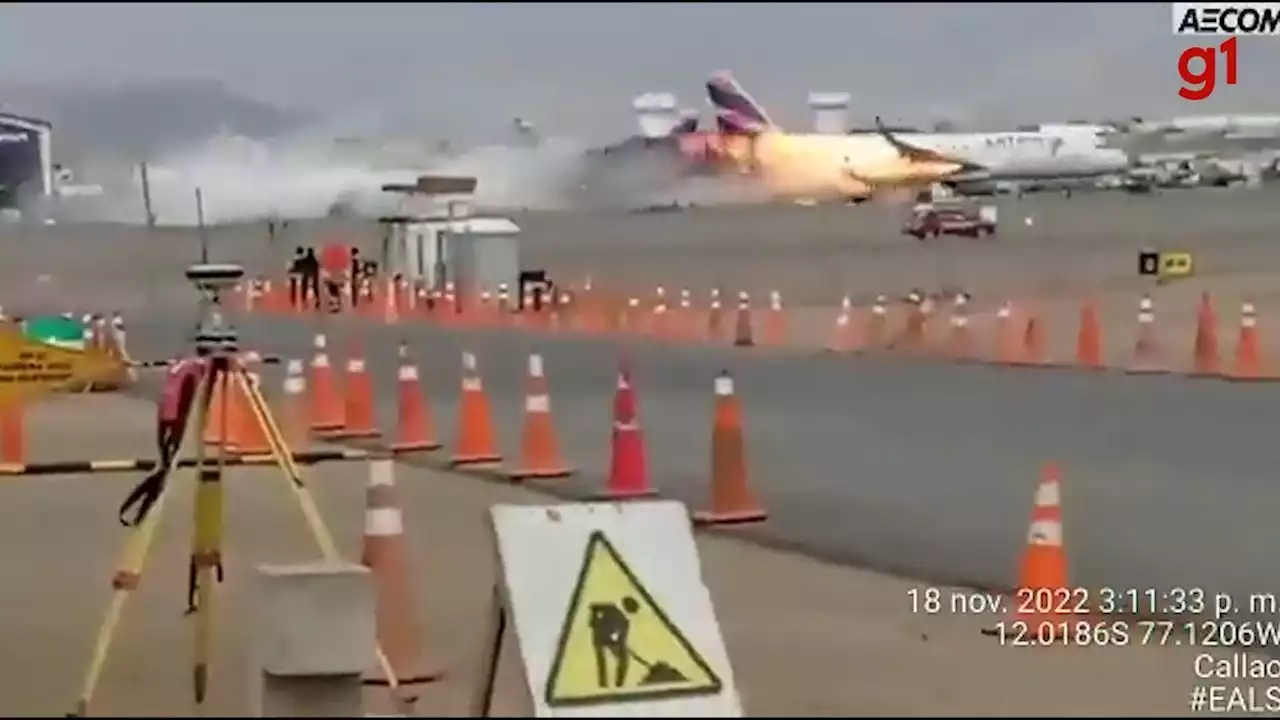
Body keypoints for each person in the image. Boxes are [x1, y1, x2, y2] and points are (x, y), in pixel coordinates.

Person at [117, 349, 210, 528]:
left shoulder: (179, 363)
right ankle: (151, 505)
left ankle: (146, 504)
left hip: (165, 410)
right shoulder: (200, 366)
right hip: (176, 414)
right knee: (169, 465)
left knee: (166, 459)